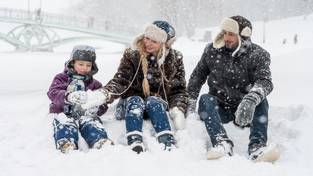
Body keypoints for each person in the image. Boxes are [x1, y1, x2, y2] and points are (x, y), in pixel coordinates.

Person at [75, 21, 188, 153]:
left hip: (156, 107)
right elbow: (121, 80)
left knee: (154, 100)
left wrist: (178, 108)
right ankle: (134, 139)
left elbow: (179, 89)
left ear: (164, 44)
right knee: (135, 99)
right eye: (147, 38)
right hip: (129, 105)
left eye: (154, 41)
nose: (148, 43)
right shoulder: (132, 54)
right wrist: (105, 94)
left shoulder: (175, 59)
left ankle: (166, 139)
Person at [187, 16, 279, 162]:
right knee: (205, 99)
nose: (226, 38)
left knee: (261, 99)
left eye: (231, 34)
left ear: (243, 36)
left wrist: (250, 99)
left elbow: (265, 81)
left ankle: (257, 147)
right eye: (224, 33)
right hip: (220, 108)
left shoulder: (257, 55)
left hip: (246, 110)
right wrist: (190, 102)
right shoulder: (212, 51)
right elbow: (197, 77)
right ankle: (222, 143)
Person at [47, 45, 113, 153]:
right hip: (63, 112)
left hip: (85, 114)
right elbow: (52, 93)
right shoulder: (62, 78)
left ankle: (99, 140)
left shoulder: (95, 84)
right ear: (73, 63)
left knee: (91, 123)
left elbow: (102, 102)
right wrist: (68, 96)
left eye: (88, 65)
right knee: (65, 123)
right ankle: (66, 142)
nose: (84, 68)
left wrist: (97, 108)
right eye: (81, 64)